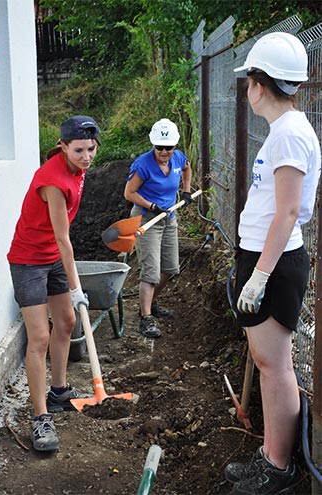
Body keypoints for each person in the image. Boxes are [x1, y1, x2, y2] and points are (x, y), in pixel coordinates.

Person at [225, 32, 320, 495]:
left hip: (276, 262)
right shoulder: (284, 132)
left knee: (276, 365)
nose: (247, 91)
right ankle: (270, 454)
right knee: (267, 361)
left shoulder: (289, 136)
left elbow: (286, 212)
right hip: (266, 257)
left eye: (249, 82)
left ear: (259, 85)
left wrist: (260, 274)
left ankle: (278, 466)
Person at [7, 115, 99, 452]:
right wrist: (76, 288)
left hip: (52, 256)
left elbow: (60, 242)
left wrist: (71, 292)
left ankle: (58, 391)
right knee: (40, 336)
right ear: (63, 146)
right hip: (29, 260)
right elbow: (64, 238)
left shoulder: (78, 168)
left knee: (67, 321)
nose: (86, 157)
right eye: (78, 150)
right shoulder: (53, 180)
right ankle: (40, 418)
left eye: (91, 149)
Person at [124, 118, 193, 338]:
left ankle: (151, 303)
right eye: (159, 147)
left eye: (168, 147)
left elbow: (187, 168)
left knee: (171, 268)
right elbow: (129, 193)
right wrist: (151, 205)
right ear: (153, 145)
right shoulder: (143, 165)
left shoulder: (178, 158)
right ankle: (145, 318)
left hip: (169, 218)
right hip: (147, 220)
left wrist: (186, 191)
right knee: (150, 272)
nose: (164, 151)